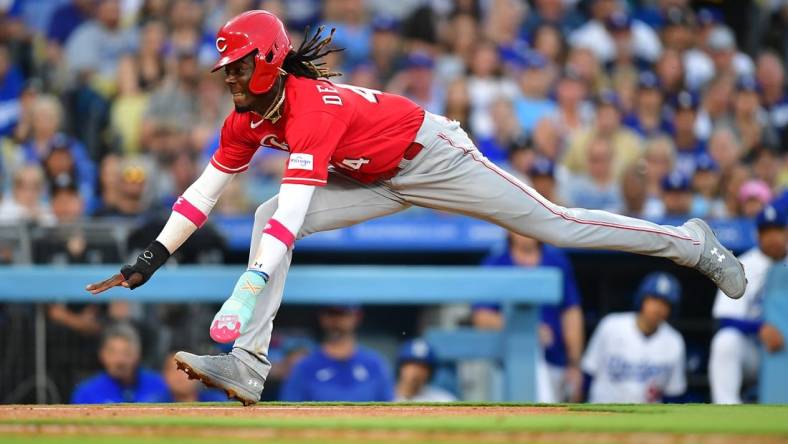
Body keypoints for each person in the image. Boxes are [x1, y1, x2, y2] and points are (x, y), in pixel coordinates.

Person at [86, 10, 746, 405]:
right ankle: (250, 365)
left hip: (433, 156)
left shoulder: (309, 106)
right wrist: (152, 257)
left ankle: (689, 242)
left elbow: (293, 209)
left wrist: (250, 283)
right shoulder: (247, 118)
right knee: (260, 223)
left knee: (557, 226)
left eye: (236, 67)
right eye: (226, 69)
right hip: (376, 174)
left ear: (266, 63)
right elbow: (204, 191)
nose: (228, 78)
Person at [472, 233, 584, 403]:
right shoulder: (496, 262)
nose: (524, 231)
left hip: (554, 360)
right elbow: (482, 318)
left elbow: (571, 313)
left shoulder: (556, 261)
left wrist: (574, 364)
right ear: (508, 230)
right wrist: (528, 330)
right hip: (507, 365)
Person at [709, 204, 787, 404]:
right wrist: (760, 328)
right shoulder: (740, 265)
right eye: (765, 231)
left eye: (777, 230)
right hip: (755, 350)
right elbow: (724, 319)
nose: (772, 237)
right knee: (725, 342)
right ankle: (727, 410)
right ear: (757, 234)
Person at [582, 272, 686, 403]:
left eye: (665, 303)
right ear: (642, 299)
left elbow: (673, 393)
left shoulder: (674, 341)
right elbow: (588, 373)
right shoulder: (610, 326)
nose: (658, 308)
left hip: (648, 419)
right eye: (653, 299)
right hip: (603, 413)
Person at [277, 305, 394, 402]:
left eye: (342, 314)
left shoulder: (374, 364)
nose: (336, 320)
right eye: (330, 313)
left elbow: (389, 411)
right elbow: (288, 412)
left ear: (357, 317)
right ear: (321, 318)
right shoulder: (304, 366)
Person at [71, 323, 169, 404]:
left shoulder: (160, 385)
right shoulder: (86, 392)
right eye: (112, 353)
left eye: (127, 353)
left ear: (137, 355)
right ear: (102, 355)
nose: (120, 360)